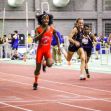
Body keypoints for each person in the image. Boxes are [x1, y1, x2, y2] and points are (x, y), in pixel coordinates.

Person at [33, 11, 60, 90]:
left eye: (47, 19)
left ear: (49, 20)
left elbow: (57, 37)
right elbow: (35, 39)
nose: (46, 20)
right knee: (37, 69)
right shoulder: (38, 29)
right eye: (44, 19)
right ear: (41, 20)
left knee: (50, 64)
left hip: (47, 50)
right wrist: (43, 32)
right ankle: (35, 82)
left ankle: (44, 64)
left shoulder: (52, 28)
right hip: (40, 50)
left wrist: (59, 47)